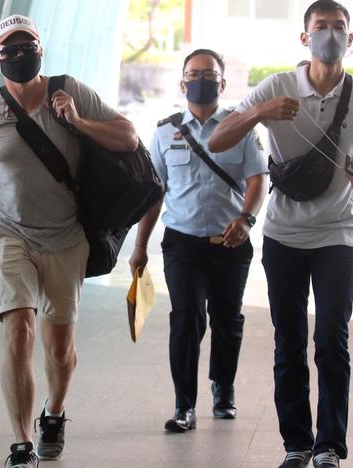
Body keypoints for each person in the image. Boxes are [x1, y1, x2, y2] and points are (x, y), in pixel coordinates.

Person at [209, 1, 353, 468]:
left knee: (332, 341)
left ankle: (330, 450)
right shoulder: (277, 86)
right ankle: (297, 445)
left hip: (339, 234)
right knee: (289, 342)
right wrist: (260, 111)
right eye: (320, 27)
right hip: (283, 235)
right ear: (304, 38)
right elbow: (218, 139)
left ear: (351, 38)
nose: (329, 34)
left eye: (338, 28)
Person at [0, 14, 137, 468]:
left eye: (29, 45)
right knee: (19, 330)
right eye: (11, 47)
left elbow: (128, 138)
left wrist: (79, 121)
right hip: (9, 234)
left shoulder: (71, 91)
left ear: (41, 49)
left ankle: (55, 410)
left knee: (60, 349)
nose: (21, 54)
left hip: (67, 236)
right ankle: (21, 447)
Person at [129, 49, 267, 433]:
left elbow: (258, 179)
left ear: (222, 83)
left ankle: (223, 388)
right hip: (182, 243)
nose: (201, 79)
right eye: (193, 73)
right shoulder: (164, 131)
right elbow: (155, 193)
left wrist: (246, 219)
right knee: (186, 318)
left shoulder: (243, 128)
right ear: (182, 82)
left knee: (227, 318)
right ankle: (184, 405)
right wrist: (140, 246)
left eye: (209, 74)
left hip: (231, 241)